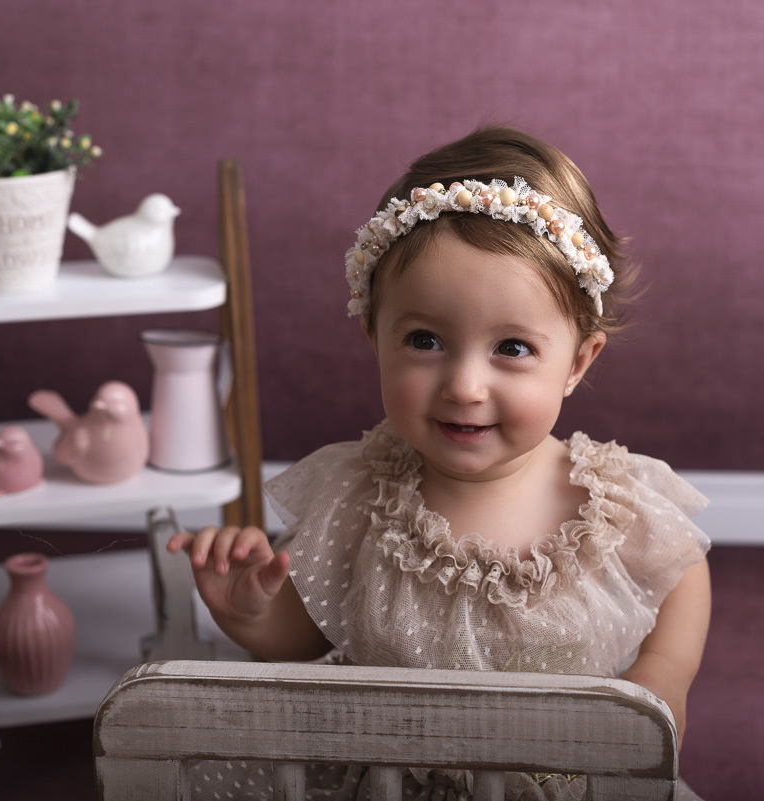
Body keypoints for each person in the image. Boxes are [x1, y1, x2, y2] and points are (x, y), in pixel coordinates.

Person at [168, 126, 712, 801]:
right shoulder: (359, 493)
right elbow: (302, 639)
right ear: (375, 335)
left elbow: (683, 567)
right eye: (425, 339)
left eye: (511, 347)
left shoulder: (608, 498)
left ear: (577, 362)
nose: (464, 385)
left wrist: (666, 671)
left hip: (572, 783)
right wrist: (248, 613)